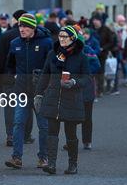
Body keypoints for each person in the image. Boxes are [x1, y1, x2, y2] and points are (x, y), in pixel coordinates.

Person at [35, 25, 90, 174]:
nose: (62, 39)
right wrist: (38, 94)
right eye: (60, 36)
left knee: (70, 133)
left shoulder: (81, 57)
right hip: (53, 97)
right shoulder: (53, 54)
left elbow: (87, 78)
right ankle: (51, 164)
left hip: (71, 99)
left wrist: (74, 82)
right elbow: (45, 75)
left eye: (65, 37)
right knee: (52, 132)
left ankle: (73, 165)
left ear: (72, 38)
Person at [4, 13, 52, 170]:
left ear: (33, 28)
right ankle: (16, 157)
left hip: (41, 92)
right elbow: (9, 65)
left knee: (43, 125)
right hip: (22, 90)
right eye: (19, 26)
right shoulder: (15, 43)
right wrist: (13, 77)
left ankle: (43, 158)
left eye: (24, 26)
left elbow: (53, 66)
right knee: (18, 123)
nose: (21, 29)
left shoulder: (46, 43)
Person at [0, 10, 34, 147]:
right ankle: (26, 135)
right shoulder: (34, 36)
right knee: (27, 105)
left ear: (15, 20)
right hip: (28, 77)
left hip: (8, 76)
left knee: (10, 106)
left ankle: (10, 135)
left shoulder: (7, 36)